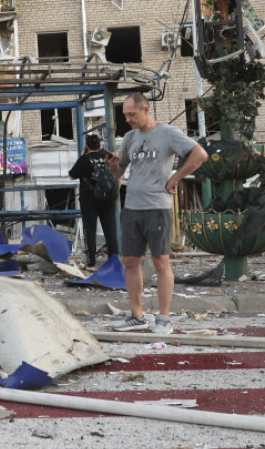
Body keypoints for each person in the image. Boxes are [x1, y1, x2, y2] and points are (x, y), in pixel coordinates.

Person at [106, 92, 208, 335]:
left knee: (160, 261)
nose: (128, 119)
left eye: (132, 114)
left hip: (157, 207)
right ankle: (136, 316)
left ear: (146, 110)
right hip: (131, 206)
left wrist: (176, 178)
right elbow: (119, 170)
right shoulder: (130, 137)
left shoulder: (168, 133)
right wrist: (112, 163)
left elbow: (200, 154)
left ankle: (163, 318)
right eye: (125, 115)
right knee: (130, 261)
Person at [68, 133, 120, 268]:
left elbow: (71, 176)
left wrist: (81, 157)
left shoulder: (84, 159)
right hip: (108, 198)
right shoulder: (107, 157)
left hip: (89, 200)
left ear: (87, 145)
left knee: (90, 230)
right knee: (110, 230)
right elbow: (117, 173)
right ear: (100, 144)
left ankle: (91, 262)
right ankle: (114, 261)